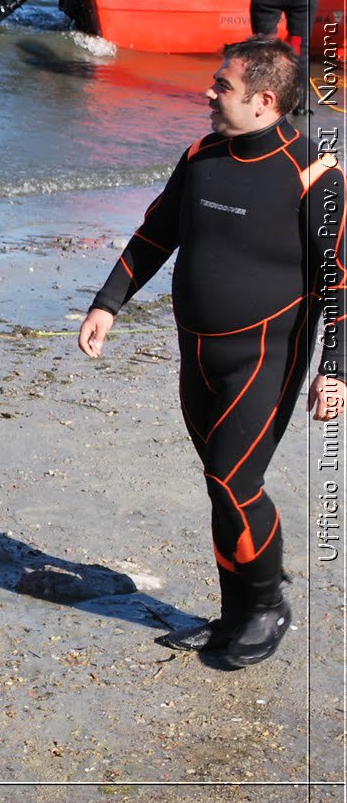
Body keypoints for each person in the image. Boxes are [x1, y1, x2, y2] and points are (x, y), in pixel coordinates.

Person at [79, 36, 343, 669]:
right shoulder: (200, 155)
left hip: (266, 358)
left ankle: (265, 607)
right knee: (220, 486)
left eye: (221, 86)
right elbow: (153, 234)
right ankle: (233, 612)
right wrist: (107, 303)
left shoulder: (314, 174)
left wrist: (334, 371)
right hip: (196, 352)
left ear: (265, 101)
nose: (207, 92)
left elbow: (340, 279)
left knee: (235, 480)